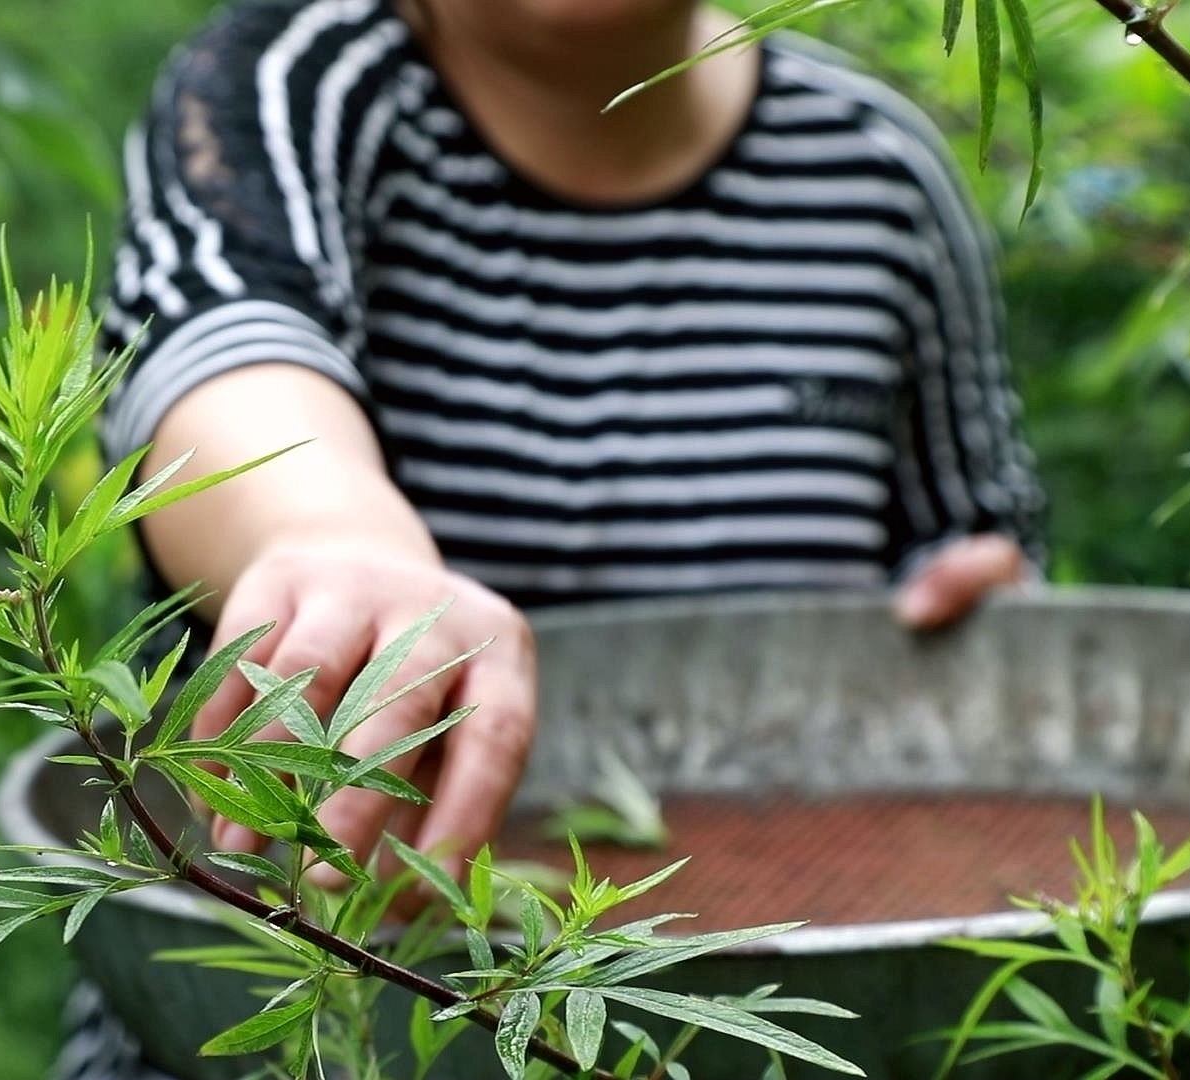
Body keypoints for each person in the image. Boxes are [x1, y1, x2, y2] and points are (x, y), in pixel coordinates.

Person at [56, 0, 1044, 1075]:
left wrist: (976, 601)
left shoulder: (878, 176)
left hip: (765, 1014)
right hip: (348, 1015)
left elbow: (974, 534)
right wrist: (339, 542)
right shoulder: (300, 80)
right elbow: (223, 352)